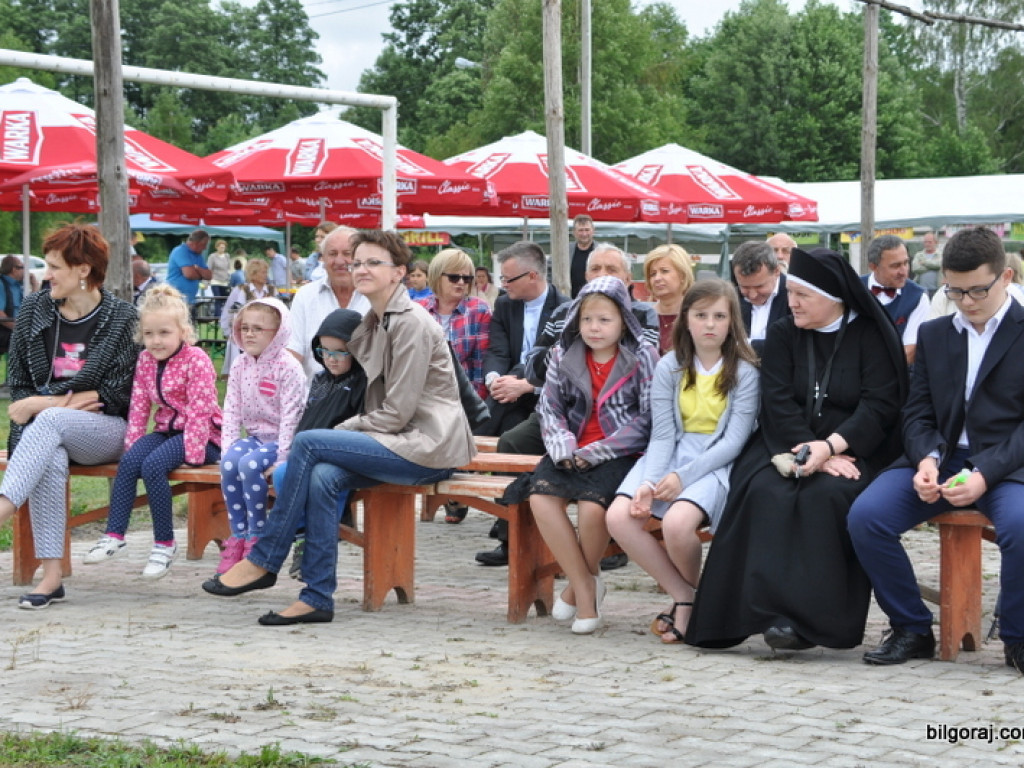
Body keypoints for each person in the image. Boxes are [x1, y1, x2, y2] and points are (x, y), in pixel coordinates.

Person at [203, 230, 475, 626]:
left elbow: (397, 413)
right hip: (393, 442)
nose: (360, 268)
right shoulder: (375, 321)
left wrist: (344, 428)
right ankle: (316, 597)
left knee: (310, 443)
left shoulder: (411, 324)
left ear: (399, 272)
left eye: (372, 262)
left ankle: (264, 557)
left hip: (426, 447)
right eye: (358, 261)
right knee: (323, 478)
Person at [685, 247, 908, 651]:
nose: (791, 302)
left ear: (834, 297)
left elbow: (879, 406)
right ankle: (756, 613)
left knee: (827, 497)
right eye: (791, 293)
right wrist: (809, 451)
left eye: (803, 295)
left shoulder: (872, 335)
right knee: (763, 491)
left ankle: (805, 625)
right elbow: (778, 399)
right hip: (785, 442)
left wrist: (831, 447)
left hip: (856, 449)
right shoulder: (787, 332)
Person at [849, 227, 1024, 670]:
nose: (966, 301)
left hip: (1007, 465)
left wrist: (984, 472)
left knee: (1022, 527)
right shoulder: (934, 333)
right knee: (866, 517)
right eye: (955, 290)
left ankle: (1018, 636)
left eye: (978, 290)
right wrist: (926, 458)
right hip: (940, 457)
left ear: (1006, 277)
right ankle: (910, 627)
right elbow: (917, 411)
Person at [475, 244, 653, 567]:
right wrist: (562, 354)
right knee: (513, 440)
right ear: (584, 276)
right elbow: (534, 364)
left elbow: (641, 376)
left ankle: (608, 543)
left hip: (613, 417)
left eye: (611, 270)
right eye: (595, 270)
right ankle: (511, 535)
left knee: (593, 485)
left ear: (627, 279)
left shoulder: (641, 317)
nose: (602, 277)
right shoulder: (566, 314)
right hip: (562, 402)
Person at [607, 279, 759, 644]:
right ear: (686, 320)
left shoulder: (746, 372)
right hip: (669, 453)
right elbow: (662, 434)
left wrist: (681, 477)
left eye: (719, 316)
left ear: (732, 322)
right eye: (701, 315)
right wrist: (650, 481)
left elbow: (734, 442)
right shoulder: (670, 366)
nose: (710, 324)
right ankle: (686, 595)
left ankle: (692, 606)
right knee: (619, 516)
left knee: (677, 523)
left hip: (714, 462)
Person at [505, 276, 658, 634]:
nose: (594, 327)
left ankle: (578, 590)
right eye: (587, 319)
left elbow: (647, 419)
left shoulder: (643, 356)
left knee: (592, 510)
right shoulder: (563, 354)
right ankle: (588, 584)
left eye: (605, 320)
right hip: (569, 449)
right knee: (541, 498)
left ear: (623, 321)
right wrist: (563, 447)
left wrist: (597, 451)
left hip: (619, 451)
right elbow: (549, 408)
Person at [0, 223, 138, 609]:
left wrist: (42, 405)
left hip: (106, 433)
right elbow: (20, 388)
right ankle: (52, 578)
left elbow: (115, 397)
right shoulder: (33, 310)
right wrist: (63, 403)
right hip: (49, 433)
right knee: (52, 451)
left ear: (83, 270)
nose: (47, 275)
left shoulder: (123, 318)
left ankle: (3, 506)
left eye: (55, 267)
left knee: (48, 421)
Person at [83, 285, 222, 578]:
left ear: (182, 331)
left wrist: (195, 454)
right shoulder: (145, 361)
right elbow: (139, 407)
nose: (156, 341)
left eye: (164, 333)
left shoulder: (196, 359)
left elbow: (201, 410)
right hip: (167, 431)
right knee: (131, 462)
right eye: (149, 334)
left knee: (153, 466)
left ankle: (164, 543)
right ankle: (115, 535)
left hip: (204, 437)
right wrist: (132, 444)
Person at [272, 308, 368, 579]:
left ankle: (317, 550)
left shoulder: (364, 382)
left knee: (324, 481)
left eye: (340, 352)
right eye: (325, 351)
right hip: (305, 455)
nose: (331, 359)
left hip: (340, 458)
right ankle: (303, 538)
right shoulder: (319, 380)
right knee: (282, 474)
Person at [217, 296, 307, 574]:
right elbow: (230, 409)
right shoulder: (240, 364)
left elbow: (292, 416)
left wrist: (282, 458)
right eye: (245, 328)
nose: (250, 334)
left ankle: (257, 534)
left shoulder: (288, 367)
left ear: (278, 333)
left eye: (259, 329)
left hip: (280, 440)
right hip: (255, 437)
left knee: (249, 464)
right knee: (231, 462)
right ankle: (238, 534)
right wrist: (228, 447)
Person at [417, 247, 492, 523]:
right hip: (423, 396)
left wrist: (473, 404)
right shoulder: (418, 310)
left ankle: (455, 493)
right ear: (437, 277)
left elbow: (480, 363)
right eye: (454, 277)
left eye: (467, 278)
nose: (461, 283)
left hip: (463, 395)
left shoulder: (479, 310)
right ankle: (439, 492)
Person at [476, 241, 569, 437]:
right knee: (509, 428)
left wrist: (524, 385)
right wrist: (494, 380)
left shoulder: (566, 309)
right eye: (502, 278)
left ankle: (470, 445)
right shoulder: (504, 305)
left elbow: (562, 366)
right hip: (508, 393)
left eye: (508, 279)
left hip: (545, 393)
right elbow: (497, 351)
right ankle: (473, 449)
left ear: (532, 276)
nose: (503, 284)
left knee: (521, 369)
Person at [287, 226, 371, 379]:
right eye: (332, 254)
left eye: (347, 254)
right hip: (315, 396)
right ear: (323, 259)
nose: (340, 261)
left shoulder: (375, 296)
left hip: (367, 397)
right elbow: (294, 349)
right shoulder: (305, 296)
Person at [864, 234, 930, 365]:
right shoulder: (853, 289)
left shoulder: (917, 297)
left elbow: (910, 350)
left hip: (897, 377)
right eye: (895, 266)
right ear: (873, 267)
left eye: (906, 263)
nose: (903, 271)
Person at [731, 240, 789, 355]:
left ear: (777, 271)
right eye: (745, 287)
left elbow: (789, 346)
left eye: (759, 286)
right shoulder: (731, 298)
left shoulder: (794, 296)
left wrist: (743, 345)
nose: (753, 295)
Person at [219, 258, 273, 375]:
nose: (266, 276)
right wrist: (230, 332)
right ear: (253, 274)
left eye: (266, 272)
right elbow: (230, 312)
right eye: (263, 272)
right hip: (244, 334)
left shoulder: (272, 291)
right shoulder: (241, 290)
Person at [644, 244, 694, 354]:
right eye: (652, 274)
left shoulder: (696, 316)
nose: (657, 278)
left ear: (682, 275)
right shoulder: (643, 317)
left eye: (664, 271)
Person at [166, 229, 211, 306]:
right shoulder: (180, 251)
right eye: (204, 245)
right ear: (196, 243)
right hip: (175, 300)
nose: (205, 248)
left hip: (188, 301)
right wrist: (201, 275)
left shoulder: (198, 255)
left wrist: (197, 269)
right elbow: (189, 274)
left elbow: (209, 275)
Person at [0, 255, 27, 356]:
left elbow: (31, 306)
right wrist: (19, 329)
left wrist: (34, 285)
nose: (25, 271)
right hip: (5, 332)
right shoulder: (1, 284)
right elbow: (0, 314)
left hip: (15, 330)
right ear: (14, 269)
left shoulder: (19, 285)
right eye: (22, 267)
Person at [569, 214, 596, 298]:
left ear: (593, 231)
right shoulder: (564, 251)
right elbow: (550, 270)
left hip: (594, 299)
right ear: (574, 232)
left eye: (587, 230)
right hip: (569, 300)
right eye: (580, 230)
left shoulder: (601, 251)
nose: (584, 234)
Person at [912, 231, 942, 297]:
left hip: (937, 289)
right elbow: (915, 268)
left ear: (936, 243)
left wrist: (924, 263)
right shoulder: (919, 255)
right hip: (921, 289)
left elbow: (939, 265)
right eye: (925, 242)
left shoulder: (940, 254)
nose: (927, 244)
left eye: (929, 242)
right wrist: (933, 267)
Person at [207, 239, 232, 312]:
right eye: (221, 247)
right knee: (218, 299)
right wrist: (206, 281)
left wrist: (229, 278)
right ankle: (217, 318)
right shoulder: (212, 256)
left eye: (223, 247)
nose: (222, 249)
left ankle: (224, 316)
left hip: (225, 281)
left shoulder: (227, 256)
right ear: (217, 247)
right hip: (215, 281)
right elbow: (209, 269)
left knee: (225, 299)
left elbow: (229, 268)